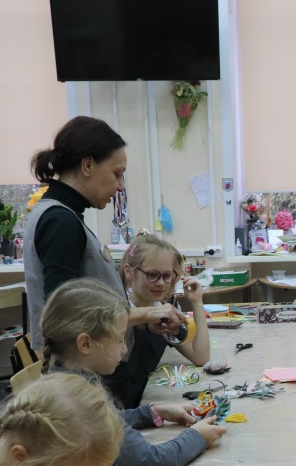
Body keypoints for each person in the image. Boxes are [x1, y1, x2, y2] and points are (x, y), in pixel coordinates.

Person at [40, 279, 227, 466]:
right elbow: (150, 461)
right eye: (119, 339)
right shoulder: (81, 400)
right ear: (85, 343)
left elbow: (107, 422)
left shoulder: (64, 381)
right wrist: (197, 437)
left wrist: (151, 412)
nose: (125, 349)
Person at [23, 116, 184, 349]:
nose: (120, 186)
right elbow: (66, 316)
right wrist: (145, 314)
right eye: (117, 174)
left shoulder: (63, 215)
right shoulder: (60, 222)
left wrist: (143, 323)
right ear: (88, 166)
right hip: (76, 364)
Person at [107, 232, 211, 409]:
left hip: (145, 402)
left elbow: (200, 356)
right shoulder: (115, 311)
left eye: (167, 276)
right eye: (153, 275)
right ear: (129, 271)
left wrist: (197, 302)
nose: (162, 283)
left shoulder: (164, 310)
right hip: (116, 409)